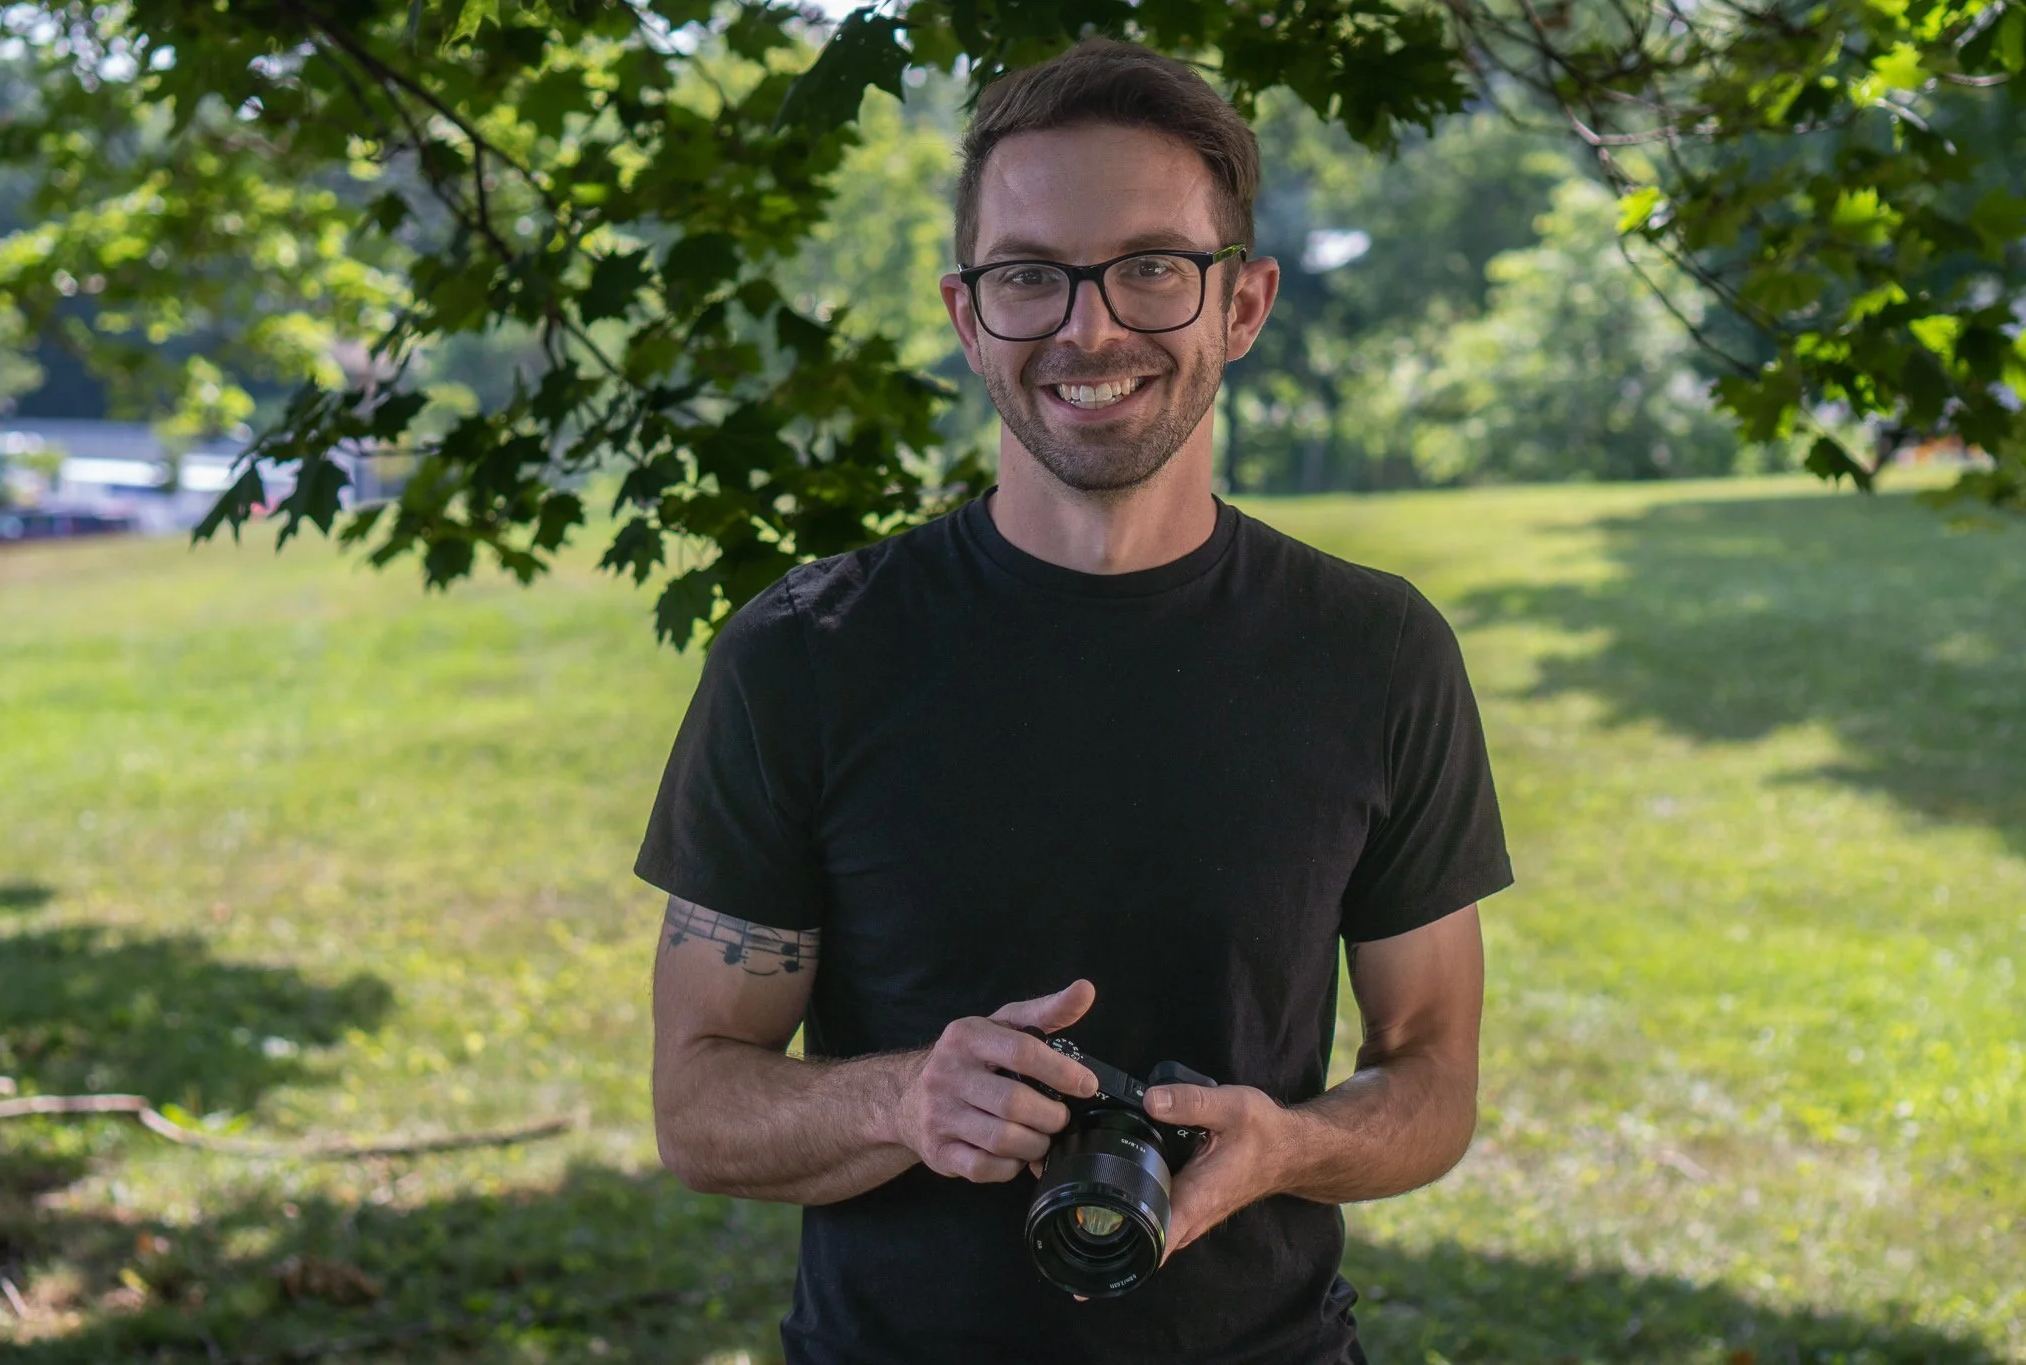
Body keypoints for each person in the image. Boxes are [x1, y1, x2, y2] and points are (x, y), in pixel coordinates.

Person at [640, 38, 1512, 1365]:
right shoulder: (803, 657)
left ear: (1244, 302)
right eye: (1030, 275)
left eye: (1153, 267)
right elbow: (697, 1105)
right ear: (966, 311)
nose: (1087, 326)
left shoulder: (1376, 652)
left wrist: (1290, 1146)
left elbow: (1432, 1078)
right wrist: (902, 1102)